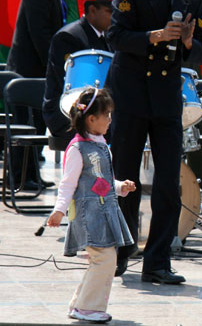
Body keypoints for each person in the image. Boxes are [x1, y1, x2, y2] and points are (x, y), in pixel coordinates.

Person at [106, 0, 202, 282]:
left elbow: (201, 53)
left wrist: (188, 41)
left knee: (167, 181)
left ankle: (158, 261)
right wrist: (154, 36)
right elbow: (114, 36)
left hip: (166, 99)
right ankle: (119, 253)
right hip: (131, 94)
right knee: (125, 178)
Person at [47, 87, 135, 323]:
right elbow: (68, 184)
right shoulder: (77, 149)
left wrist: (119, 187)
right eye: (106, 114)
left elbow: (101, 181)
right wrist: (59, 209)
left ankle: (80, 305)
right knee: (104, 260)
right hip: (89, 214)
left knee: (103, 259)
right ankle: (87, 308)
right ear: (90, 118)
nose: (109, 119)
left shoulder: (102, 145)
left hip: (105, 210)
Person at [7, 0, 73, 189]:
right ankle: (20, 178)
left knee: (36, 124)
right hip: (27, 71)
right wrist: (56, 67)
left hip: (36, 70)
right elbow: (41, 36)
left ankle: (31, 176)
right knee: (25, 125)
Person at [43, 0, 116, 141]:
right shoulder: (68, 37)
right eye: (110, 12)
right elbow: (69, 85)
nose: (114, 17)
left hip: (97, 110)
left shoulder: (108, 38)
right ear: (92, 10)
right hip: (68, 112)